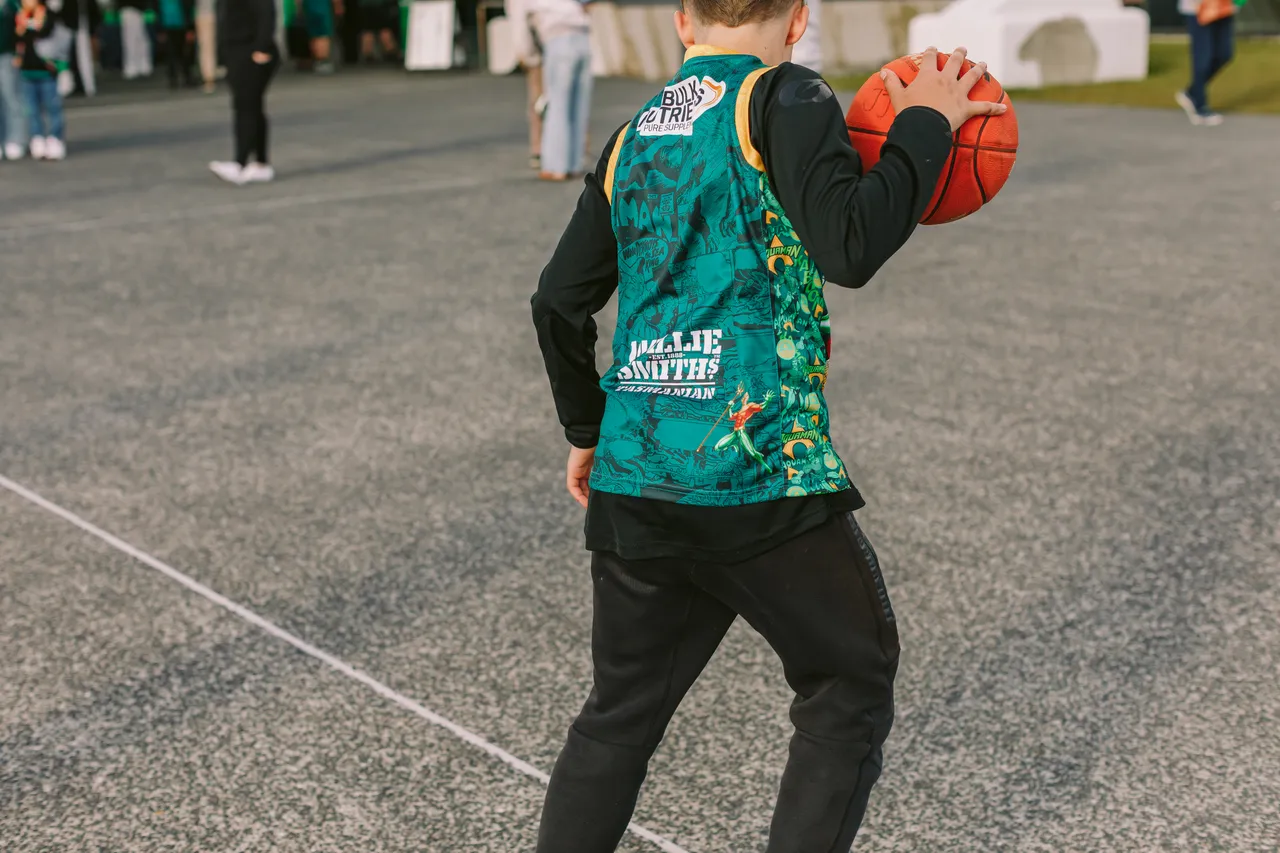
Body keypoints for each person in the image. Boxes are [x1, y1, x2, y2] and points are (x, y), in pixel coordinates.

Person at [528, 0, 1005, 843]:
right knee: (848, 682)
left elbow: (558, 302)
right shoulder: (787, 98)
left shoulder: (631, 135)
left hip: (636, 471)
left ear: (684, 22)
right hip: (752, 470)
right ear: (797, 21)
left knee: (618, 717)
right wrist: (926, 124)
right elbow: (849, 245)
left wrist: (586, 428)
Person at [507, 0, 591, 182]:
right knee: (579, 105)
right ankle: (574, 163)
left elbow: (519, 24)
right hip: (583, 34)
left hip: (557, 38)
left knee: (556, 104)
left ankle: (556, 167)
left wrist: (528, 56)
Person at [209, 0, 277, 184]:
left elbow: (265, 10)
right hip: (235, 49)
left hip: (251, 48)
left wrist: (263, 46)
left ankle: (239, 162)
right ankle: (261, 163)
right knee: (252, 105)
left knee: (245, 105)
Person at [15, 0, 70, 159]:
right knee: (31, 110)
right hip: (27, 72)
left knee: (52, 107)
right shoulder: (19, 16)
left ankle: (55, 138)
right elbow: (17, 37)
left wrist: (28, 27)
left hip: (47, 72)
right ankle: (37, 137)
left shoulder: (48, 15)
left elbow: (44, 31)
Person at [1176, 0, 1238, 126]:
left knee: (1225, 54)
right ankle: (1200, 106)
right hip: (1198, 7)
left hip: (1224, 7)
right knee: (1203, 58)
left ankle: (1192, 93)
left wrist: (1238, 3)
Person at [1, 0, 27, 159]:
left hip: (7, 55)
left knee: (12, 97)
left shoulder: (11, 5)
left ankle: (16, 139)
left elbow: (23, 28)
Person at [158, 0, 194, 87]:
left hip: (180, 25)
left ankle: (184, 77)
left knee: (183, 53)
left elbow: (188, 7)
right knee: (173, 53)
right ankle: (174, 78)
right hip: (170, 26)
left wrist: (190, 28)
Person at [118, 0, 153, 78]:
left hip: (133, 9)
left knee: (135, 40)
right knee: (137, 40)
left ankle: (137, 66)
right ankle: (139, 65)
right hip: (132, 9)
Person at [300, 0, 335, 73]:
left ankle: (316, 60)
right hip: (323, 8)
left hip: (309, 8)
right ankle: (323, 61)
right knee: (323, 34)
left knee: (313, 34)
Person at [194, 0, 216, 91]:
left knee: (206, 48)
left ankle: (209, 77)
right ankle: (209, 76)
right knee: (208, 48)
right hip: (211, 13)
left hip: (204, 14)